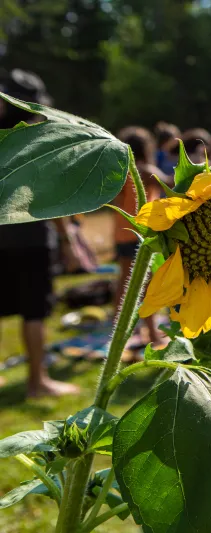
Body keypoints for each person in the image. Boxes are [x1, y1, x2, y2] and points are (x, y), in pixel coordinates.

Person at [0, 69, 79, 396]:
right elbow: (52, 199)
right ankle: (38, 382)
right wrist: (69, 241)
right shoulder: (41, 143)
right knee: (34, 312)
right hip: (31, 240)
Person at [114, 127, 168, 352]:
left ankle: (120, 329)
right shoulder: (144, 170)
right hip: (139, 232)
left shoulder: (121, 171)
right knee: (145, 287)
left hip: (122, 232)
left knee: (125, 284)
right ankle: (152, 333)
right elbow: (169, 183)